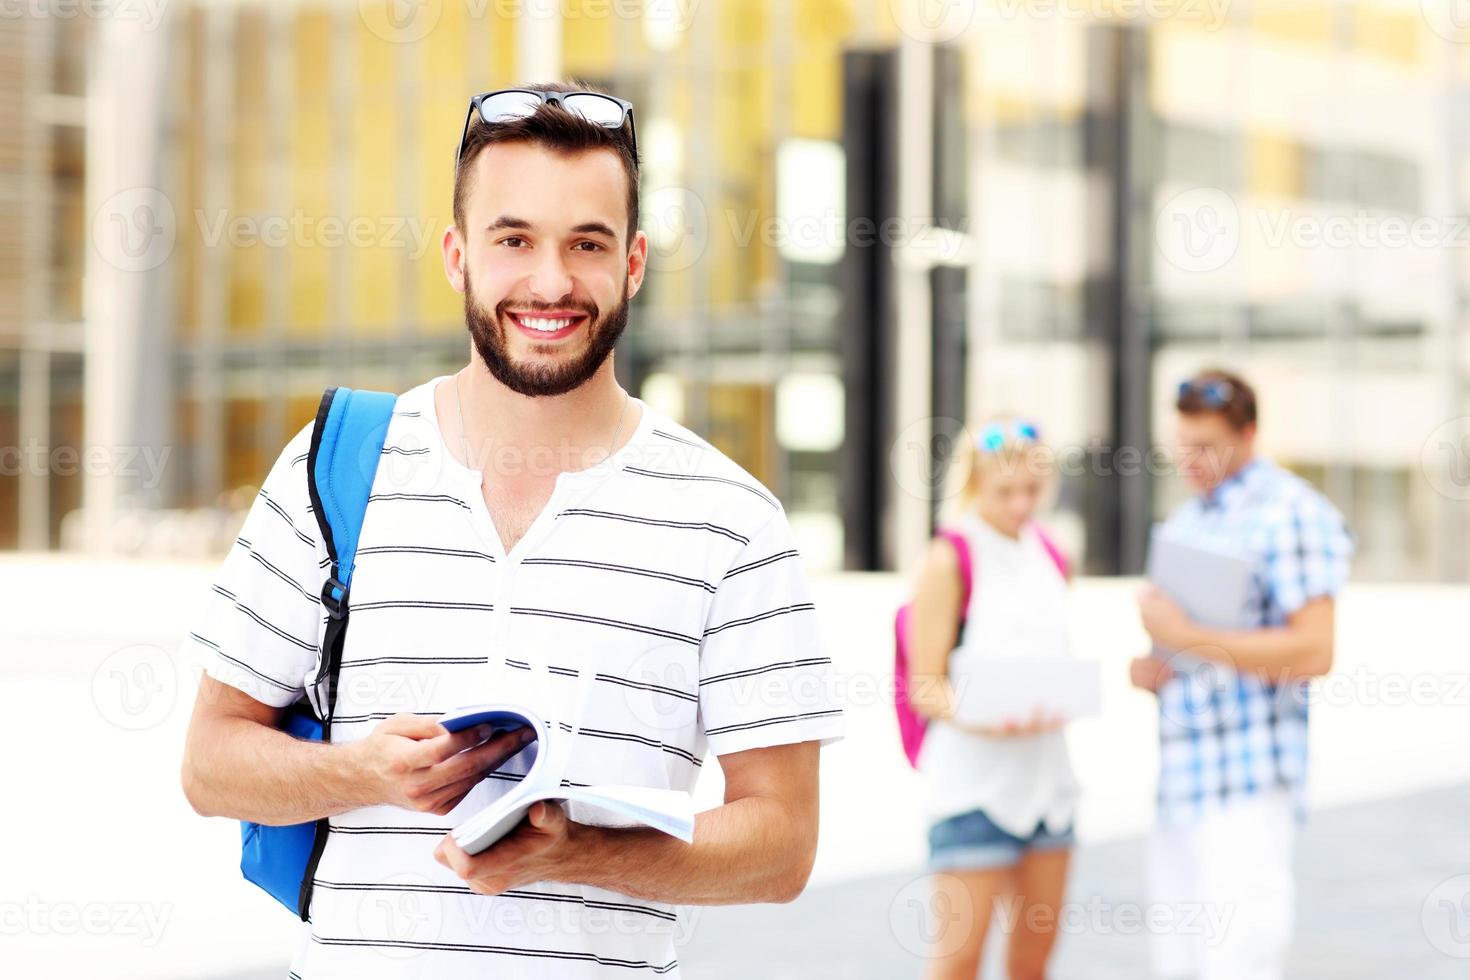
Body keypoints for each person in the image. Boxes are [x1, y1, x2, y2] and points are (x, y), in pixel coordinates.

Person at [178, 82, 844, 979]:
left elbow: (784, 844)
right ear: (458, 255)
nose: (551, 282)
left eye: (588, 244)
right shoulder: (336, 466)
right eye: (514, 239)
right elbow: (211, 763)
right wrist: (366, 773)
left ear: (636, 263)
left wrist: (580, 854)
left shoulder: (731, 520)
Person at [1131, 369, 1353, 980]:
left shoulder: (1292, 512)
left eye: (1207, 448)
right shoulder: (1187, 522)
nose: (1190, 461)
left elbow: (1314, 651)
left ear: (1249, 434)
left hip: (1248, 783)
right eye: (1183, 446)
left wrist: (1186, 637)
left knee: (1239, 963)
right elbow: (1193, 653)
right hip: (1181, 785)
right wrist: (1160, 667)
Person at [907, 417, 1078, 980]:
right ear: (975, 483)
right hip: (975, 794)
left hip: (1048, 788)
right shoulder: (950, 556)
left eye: (1033, 490)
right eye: (1006, 492)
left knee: (1033, 962)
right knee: (958, 963)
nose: (1022, 504)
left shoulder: (1051, 553)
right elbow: (924, 684)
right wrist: (988, 715)